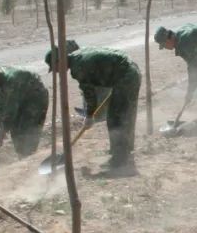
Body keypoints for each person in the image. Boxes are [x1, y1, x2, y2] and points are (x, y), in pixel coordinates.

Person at [46, 42, 140, 173]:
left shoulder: (78, 67)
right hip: (125, 72)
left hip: (125, 76)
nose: (56, 71)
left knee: (117, 119)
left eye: (54, 67)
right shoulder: (76, 56)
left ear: (59, 61)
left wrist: (90, 115)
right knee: (117, 117)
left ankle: (121, 161)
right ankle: (121, 156)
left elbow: (89, 94)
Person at [0, 59, 49, 159]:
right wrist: (1, 126)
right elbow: (0, 104)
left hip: (35, 99)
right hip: (20, 99)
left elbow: (10, 112)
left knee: (28, 129)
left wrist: (1, 135)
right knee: (15, 130)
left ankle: (29, 156)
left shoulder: (11, 81)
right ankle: (22, 155)